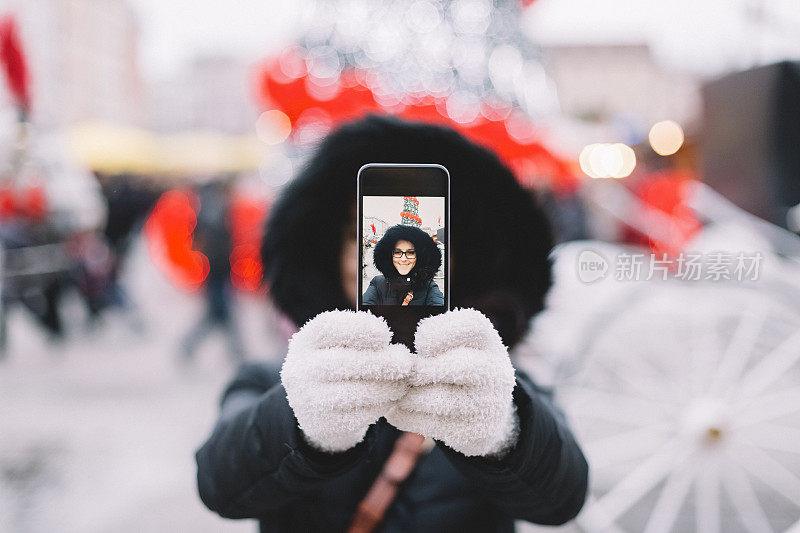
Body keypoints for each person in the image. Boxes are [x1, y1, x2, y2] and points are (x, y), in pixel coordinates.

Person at [195, 115, 588, 532]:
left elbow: (563, 498)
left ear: (453, 257)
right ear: (331, 252)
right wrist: (302, 426)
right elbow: (219, 484)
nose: (396, 255)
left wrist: (504, 430)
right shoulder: (276, 379)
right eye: (361, 236)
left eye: (422, 236)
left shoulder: (495, 377)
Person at [362, 224, 444, 306]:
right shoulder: (377, 284)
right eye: (397, 252)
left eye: (411, 253)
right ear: (390, 256)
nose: (403, 259)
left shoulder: (429, 287)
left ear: (419, 256)